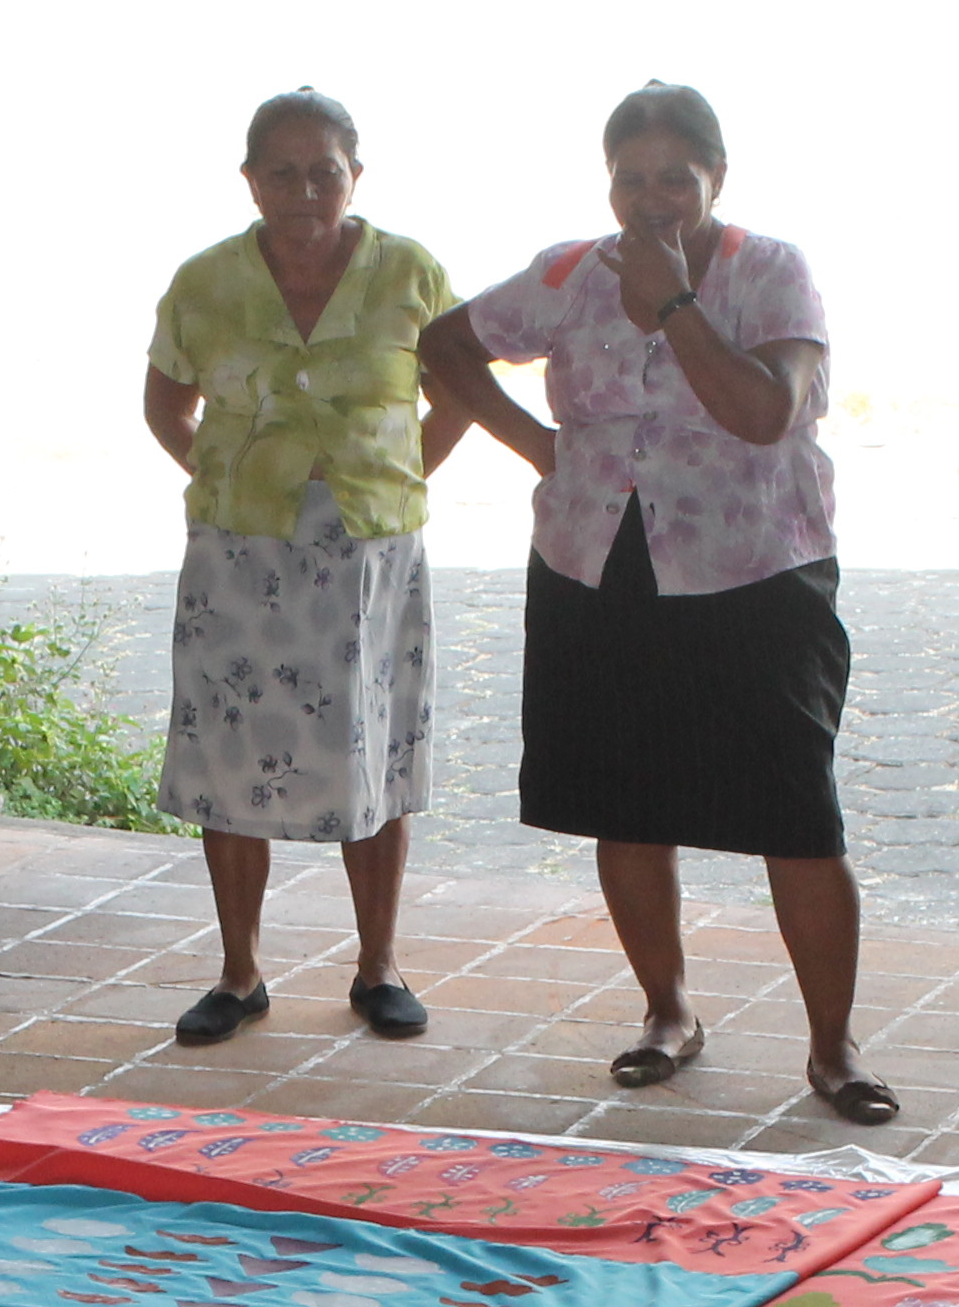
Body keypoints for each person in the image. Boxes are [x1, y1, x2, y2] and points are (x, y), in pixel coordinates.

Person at [417, 82, 887, 1121]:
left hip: (755, 571)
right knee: (624, 806)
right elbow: (445, 344)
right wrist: (538, 446)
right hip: (596, 564)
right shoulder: (568, 272)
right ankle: (667, 1012)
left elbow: (765, 412)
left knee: (797, 816)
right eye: (631, 177)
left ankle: (833, 1046)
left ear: (718, 175)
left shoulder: (770, 271)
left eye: (676, 175)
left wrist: (677, 303)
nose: (652, 196)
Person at [141, 87, 466, 1043]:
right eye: (282, 171)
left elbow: (459, 394)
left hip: (372, 550)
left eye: (325, 169)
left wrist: (396, 478)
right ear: (250, 181)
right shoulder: (205, 282)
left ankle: (379, 966)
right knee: (228, 753)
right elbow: (164, 403)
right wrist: (232, 475)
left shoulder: (409, 272)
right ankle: (239, 972)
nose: (305, 189)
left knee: (374, 746)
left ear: (355, 176)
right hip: (239, 550)